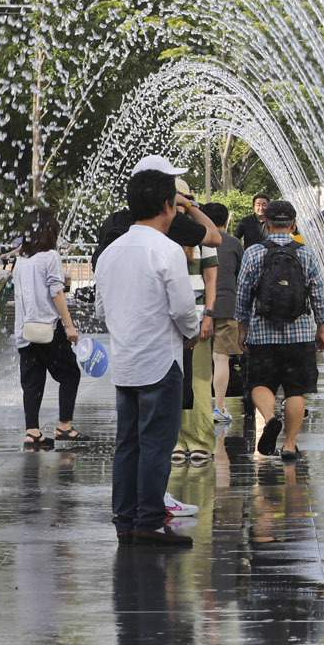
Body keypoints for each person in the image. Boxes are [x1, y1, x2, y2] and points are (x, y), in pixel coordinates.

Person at [94, 159, 202, 549]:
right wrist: (191, 333)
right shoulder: (167, 251)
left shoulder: (110, 253)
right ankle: (151, 521)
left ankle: (125, 520)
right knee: (157, 443)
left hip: (125, 363)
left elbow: (101, 310)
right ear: (167, 207)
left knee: (128, 443)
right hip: (160, 361)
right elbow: (183, 310)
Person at [234, 200, 324, 462]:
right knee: (295, 391)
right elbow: (318, 295)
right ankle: (289, 445)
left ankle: (270, 418)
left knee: (259, 384)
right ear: (293, 224)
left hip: (262, 334)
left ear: (266, 222)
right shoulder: (306, 254)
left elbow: (242, 295)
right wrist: (321, 329)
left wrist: (242, 329)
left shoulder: (254, 253)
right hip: (299, 335)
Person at [10, 207, 86, 451]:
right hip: (48, 328)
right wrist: (69, 325)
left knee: (32, 380)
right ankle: (64, 425)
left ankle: (32, 432)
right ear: (48, 229)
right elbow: (56, 292)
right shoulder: (50, 256)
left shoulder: (21, 259)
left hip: (24, 330)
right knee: (70, 374)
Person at [172, 179, 221, 469]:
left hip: (198, 318)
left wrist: (209, 315)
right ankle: (177, 440)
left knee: (200, 383)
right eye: (174, 200)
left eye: (184, 200)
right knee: (173, 382)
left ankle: (201, 439)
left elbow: (211, 279)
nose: (179, 205)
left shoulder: (200, 235)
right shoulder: (161, 233)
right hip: (168, 323)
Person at [205, 202, 242, 425]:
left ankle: (201, 408)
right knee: (221, 359)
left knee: (202, 362)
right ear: (225, 221)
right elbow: (239, 273)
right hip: (227, 306)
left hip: (202, 309)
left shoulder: (197, 242)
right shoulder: (234, 243)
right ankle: (219, 407)